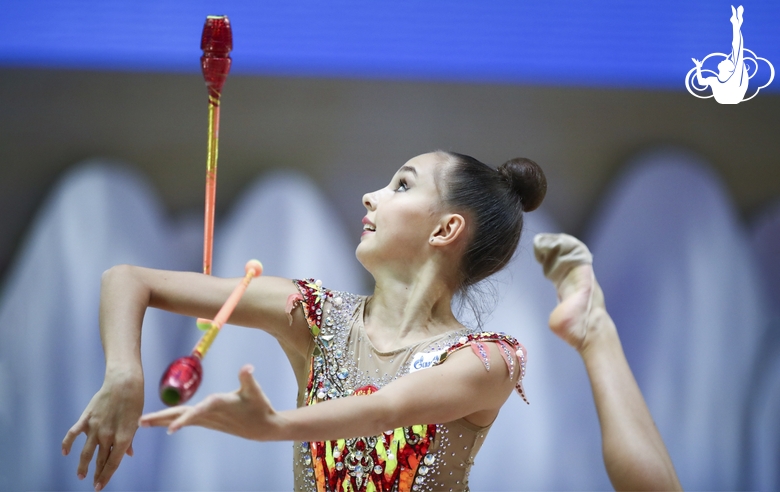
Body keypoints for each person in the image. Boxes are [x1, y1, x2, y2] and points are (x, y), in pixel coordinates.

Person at [62, 151, 547, 491]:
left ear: (446, 229)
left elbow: (386, 410)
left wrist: (273, 425)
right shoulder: (315, 316)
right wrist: (124, 372)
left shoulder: (489, 361)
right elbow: (126, 280)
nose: (369, 196)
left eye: (402, 185)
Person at [692, 5, 748, 104]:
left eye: (727, 61)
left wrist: (736, 25)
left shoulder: (734, 77)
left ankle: (736, 24)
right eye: (727, 60)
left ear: (729, 69)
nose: (724, 59)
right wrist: (698, 67)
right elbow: (701, 82)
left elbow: (737, 49)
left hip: (733, 98)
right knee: (736, 50)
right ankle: (736, 24)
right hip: (724, 100)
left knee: (737, 50)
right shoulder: (714, 80)